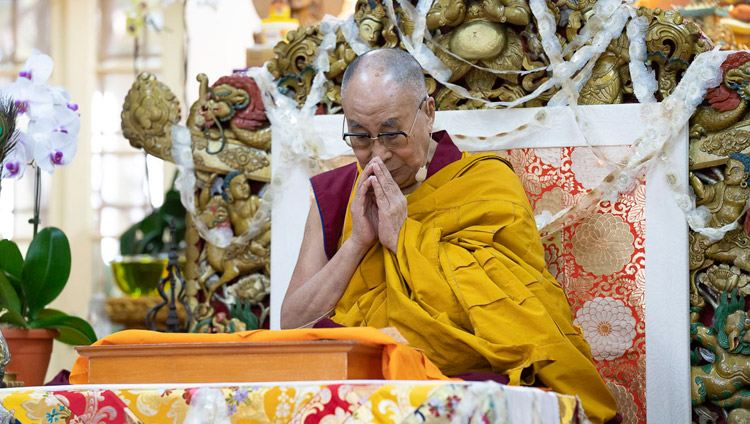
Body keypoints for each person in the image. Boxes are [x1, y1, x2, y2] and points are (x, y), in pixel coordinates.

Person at [280, 48, 617, 424]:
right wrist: (359, 242)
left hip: (462, 379)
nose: (378, 155)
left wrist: (402, 237)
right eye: (360, 137)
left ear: (428, 112)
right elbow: (293, 324)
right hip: (364, 383)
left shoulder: (486, 183)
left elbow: (513, 313)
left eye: (392, 135)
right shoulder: (339, 193)